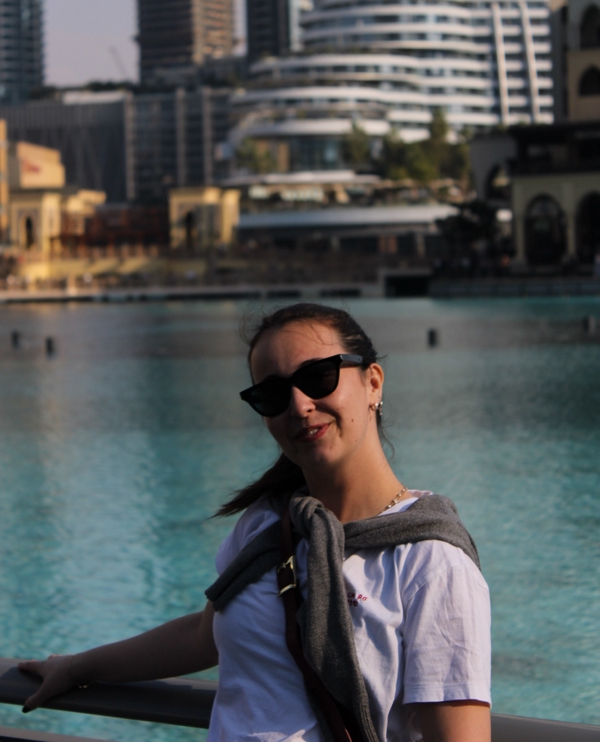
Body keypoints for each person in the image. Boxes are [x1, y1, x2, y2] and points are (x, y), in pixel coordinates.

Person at [20, 303, 491, 742]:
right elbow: (204, 635)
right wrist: (77, 668)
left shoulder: (431, 561)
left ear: (373, 383)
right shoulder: (267, 523)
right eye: (273, 394)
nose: (299, 405)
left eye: (318, 377)